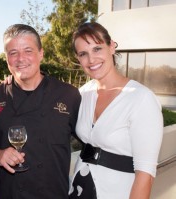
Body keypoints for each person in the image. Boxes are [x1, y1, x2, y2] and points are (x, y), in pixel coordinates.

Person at [0, 24, 81, 199]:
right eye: (13, 53)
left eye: (28, 51)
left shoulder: (68, 94)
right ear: (6, 58)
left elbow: (88, 139)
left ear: (41, 53)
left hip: (54, 193)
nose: (20, 59)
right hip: (11, 194)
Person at [69, 22, 163, 199]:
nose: (91, 60)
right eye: (83, 54)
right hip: (80, 190)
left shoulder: (141, 98)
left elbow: (146, 174)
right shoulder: (83, 93)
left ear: (111, 46)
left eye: (97, 49)